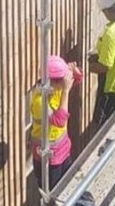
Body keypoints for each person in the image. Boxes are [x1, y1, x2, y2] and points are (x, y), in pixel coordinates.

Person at [29, 55, 75, 191]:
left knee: (67, 188)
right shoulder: (40, 101)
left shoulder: (55, 88)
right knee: (54, 194)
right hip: (49, 157)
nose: (63, 84)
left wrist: (73, 71)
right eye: (61, 81)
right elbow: (60, 121)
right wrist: (66, 92)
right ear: (51, 82)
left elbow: (77, 80)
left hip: (63, 150)